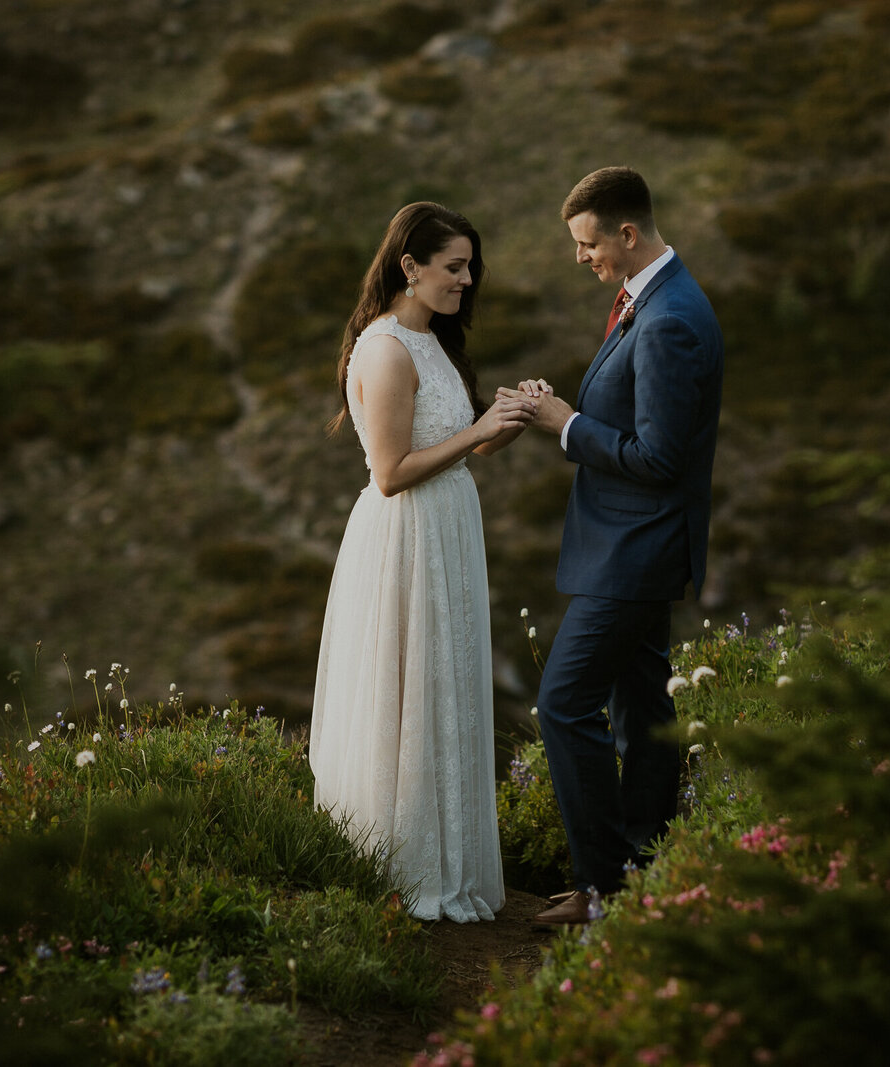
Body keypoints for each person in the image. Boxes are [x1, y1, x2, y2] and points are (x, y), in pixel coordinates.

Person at [502, 166, 724, 928]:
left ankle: (602, 886)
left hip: (635, 551)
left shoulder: (668, 320)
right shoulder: (654, 298)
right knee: (642, 708)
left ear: (627, 234)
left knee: (563, 704)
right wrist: (560, 408)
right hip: (633, 548)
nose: (580, 257)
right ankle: (649, 865)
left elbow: (659, 458)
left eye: (587, 243)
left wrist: (564, 425)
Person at [309, 202, 534, 923]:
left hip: (446, 530)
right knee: (407, 689)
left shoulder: (430, 341)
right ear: (410, 266)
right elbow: (391, 472)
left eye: (470, 269)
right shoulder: (384, 349)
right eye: (454, 267)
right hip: (406, 535)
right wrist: (477, 433)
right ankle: (400, 865)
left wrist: (505, 421)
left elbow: (456, 444)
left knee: (444, 683)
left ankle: (446, 859)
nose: (466, 282)